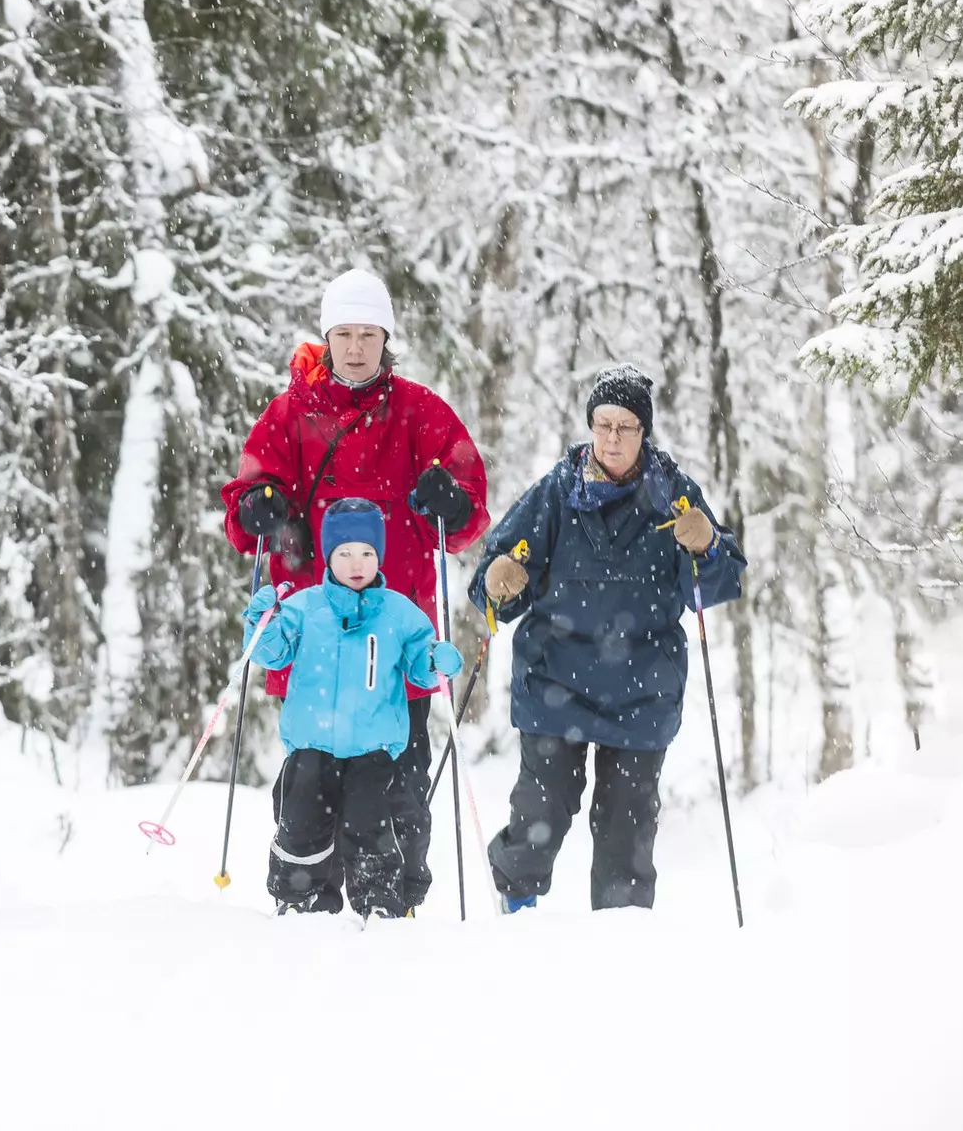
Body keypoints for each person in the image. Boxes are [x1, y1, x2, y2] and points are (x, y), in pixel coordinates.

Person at [221, 268, 490, 913]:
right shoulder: (289, 415)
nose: (356, 347)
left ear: (386, 338)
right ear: (327, 337)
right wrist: (259, 505)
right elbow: (244, 505)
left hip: (396, 644)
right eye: (344, 334)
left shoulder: (421, 413)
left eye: (369, 334)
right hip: (311, 638)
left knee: (396, 785)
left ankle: (392, 900)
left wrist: (451, 501)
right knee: (310, 782)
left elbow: (470, 510)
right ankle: (305, 896)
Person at [469, 366, 746, 911]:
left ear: (644, 431)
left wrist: (708, 546)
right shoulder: (556, 491)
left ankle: (621, 941)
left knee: (627, 832)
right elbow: (494, 582)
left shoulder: (673, 493)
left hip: (642, 686)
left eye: (626, 426)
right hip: (555, 679)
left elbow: (719, 583)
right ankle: (516, 908)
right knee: (540, 816)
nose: (613, 438)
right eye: (603, 425)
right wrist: (499, 581)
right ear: (590, 427)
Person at [243, 499, 461, 918]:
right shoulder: (304, 608)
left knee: (372, 824)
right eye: (344, 553)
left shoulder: (399, 613)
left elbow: (420, 665)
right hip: (313, 744)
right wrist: (261, 624)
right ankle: (298, 896)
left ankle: (378, 901)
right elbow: (269, 654)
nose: (356, 563)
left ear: (379, 556)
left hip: (372, 748)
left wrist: (436, 662)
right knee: (302, 822)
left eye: (367, 553)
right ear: (328, 556)